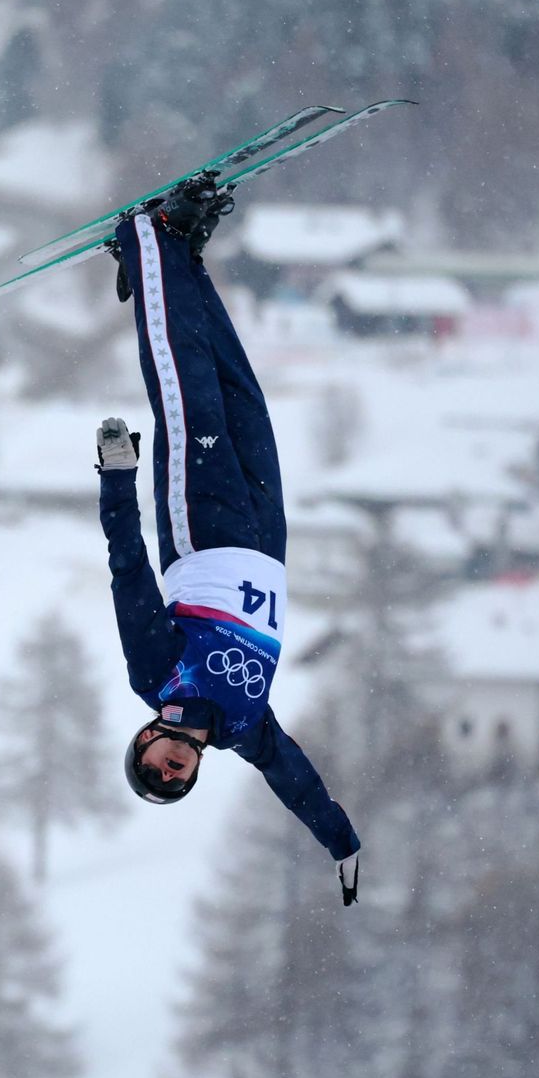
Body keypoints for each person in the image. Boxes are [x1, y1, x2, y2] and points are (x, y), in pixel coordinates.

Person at [95, 182, 361, 906]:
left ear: (146, 739)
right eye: (177, 780)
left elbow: (129, 577)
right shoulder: (246, 729)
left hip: (199, 527)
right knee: (239, 390)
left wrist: (119, 480)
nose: (172, 767)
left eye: (155, 766)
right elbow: (294, 778)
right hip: (266, 536)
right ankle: (185, 255)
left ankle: (144, 241)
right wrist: (339, 838)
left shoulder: (158, 678)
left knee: (186, 388)